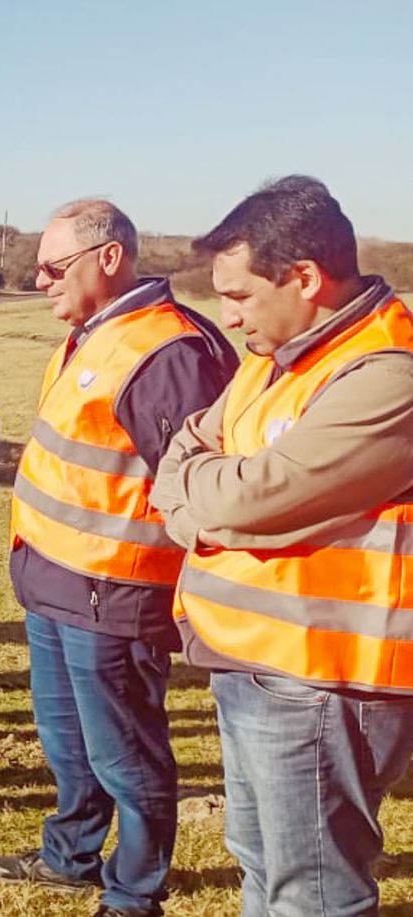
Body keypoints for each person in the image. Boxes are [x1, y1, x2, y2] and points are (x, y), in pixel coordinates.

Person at [151, 176, 413, 917]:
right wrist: (206, 490)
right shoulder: (278, 357)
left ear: (303, 278)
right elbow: (187, 450)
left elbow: (254, 495)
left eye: (237, 295)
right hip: (255, 662)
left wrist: (203, 494)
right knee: (261, 863)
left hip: (323, 682)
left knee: (315, 891)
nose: (225, 317)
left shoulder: (386, 373)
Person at [0, 201, 236, 917]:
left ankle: (133, 892)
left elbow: (198, 488)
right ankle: (71, 854)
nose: (39, 281)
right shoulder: (96, 332)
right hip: (56, 583)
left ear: (110, 259)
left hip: (113, 596)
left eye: (54, 267)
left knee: (126, 754)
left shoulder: (166, 350)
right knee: (69, 744)